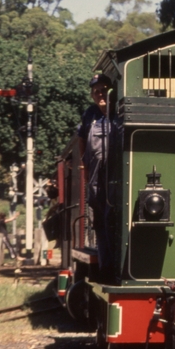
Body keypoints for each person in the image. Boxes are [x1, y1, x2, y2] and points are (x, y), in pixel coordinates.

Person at [78, 73, 117, 282]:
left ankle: (118, 266)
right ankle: (106, 268)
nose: (100, 94)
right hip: (95, 178)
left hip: (116, 177)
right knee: (100, 224)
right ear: (93, 96)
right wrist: (83, 164)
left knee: (114, 221)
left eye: (103, 90)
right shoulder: (89, 114)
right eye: (96, 92)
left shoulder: (119, 112)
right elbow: (81, 138)